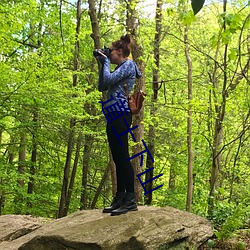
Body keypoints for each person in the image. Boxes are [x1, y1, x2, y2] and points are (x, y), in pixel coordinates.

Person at [96, 34, 142, 216]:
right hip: (113, 114)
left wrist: (105, 62)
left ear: (120, 52)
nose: (109, 54)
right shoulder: (119, 68)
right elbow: (102, 85)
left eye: (111, 51)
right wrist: (103, 63)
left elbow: (107, 81)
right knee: (117, 157)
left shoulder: (129, 65)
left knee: (122, 156)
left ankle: (130, 199)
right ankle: (121, 197)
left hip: (121, 114)